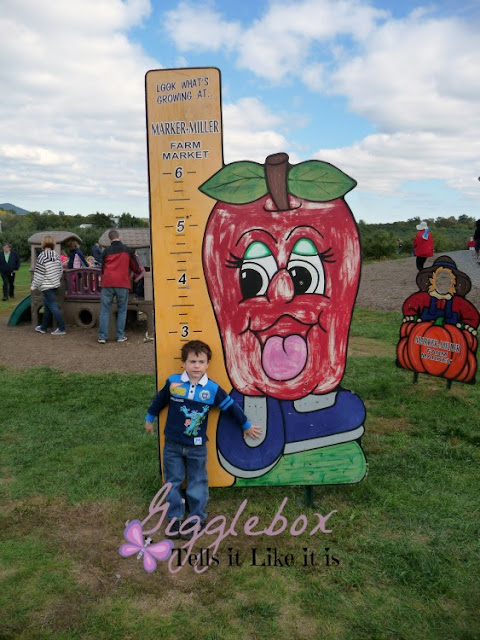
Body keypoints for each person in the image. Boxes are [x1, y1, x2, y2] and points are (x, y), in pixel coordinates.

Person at [144, 340, 262, 537]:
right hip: (172, 444)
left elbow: (231, 407)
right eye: (192, 361)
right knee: (172, 481)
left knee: (197, 482)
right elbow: (159, 400)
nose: (196, 366)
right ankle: (174, 519)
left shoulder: (213, 390)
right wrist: (149, 417)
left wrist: (246, 425)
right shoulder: (173, 383)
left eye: (200, 361)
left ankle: (197, 518)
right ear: (183, 363)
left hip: (197, 447)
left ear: (207, 364)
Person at [98, 229, 141, 344]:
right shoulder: (127, 250)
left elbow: (102, 269)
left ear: (109, 239)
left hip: (107, 283)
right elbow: (136, 268)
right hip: (122, 283)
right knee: (122, 309)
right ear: (119, 237)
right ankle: (120, 336)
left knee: (105, 310)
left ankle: (102, 336)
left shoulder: (106, 251)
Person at [30, 235, 66, 335]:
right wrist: (56, 281)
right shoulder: (56, 255)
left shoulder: (42, 256)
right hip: (54, 285)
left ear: (43, 244)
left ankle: (62, 328)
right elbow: (60, 270)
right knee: (47, 306)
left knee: (53, 306)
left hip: (46, 286)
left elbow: (39, 274)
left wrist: (34, 286)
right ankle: (43, 327)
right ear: (53, 244)